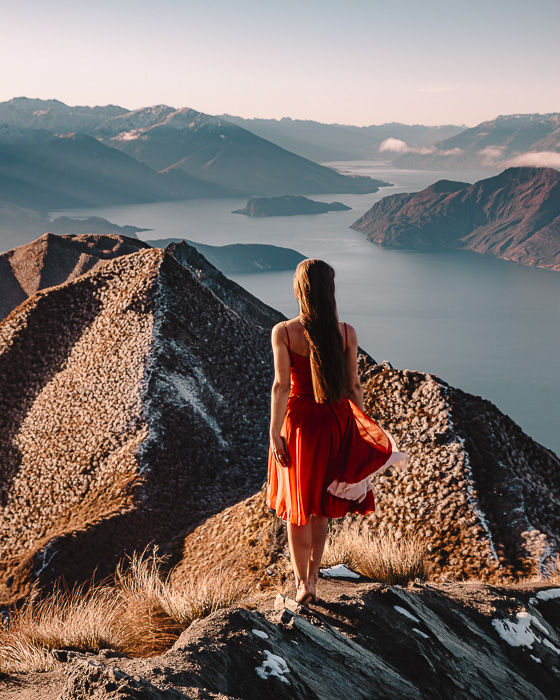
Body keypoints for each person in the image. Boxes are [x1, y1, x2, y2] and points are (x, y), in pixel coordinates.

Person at [267, 259, 408, 605]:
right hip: (335, 422)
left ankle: (304, 585)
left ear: (300, 290)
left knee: (299, 507)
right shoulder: (346, 333)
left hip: (300, 426)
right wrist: (359, 428)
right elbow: (354, 386)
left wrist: (274, 432)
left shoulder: (283, 332)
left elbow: (280, 387)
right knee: (321, 507)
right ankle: (314, 575)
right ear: (330, 292)